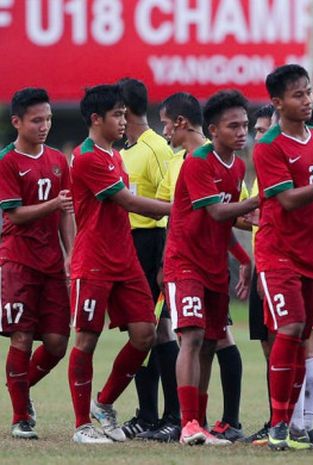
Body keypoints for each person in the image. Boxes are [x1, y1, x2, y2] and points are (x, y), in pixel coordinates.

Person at [68, 84, 171, 443]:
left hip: (124, 259)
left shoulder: (114, 155)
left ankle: (104, 404)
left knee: (145, 335)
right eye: (116, 114)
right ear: (96, 119)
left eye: (124, 113)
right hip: (94, 261)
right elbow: (128, 202)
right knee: (86, 339)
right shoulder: (87, 158)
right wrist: (181, 209)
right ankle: (82, 426)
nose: (123, 120)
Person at [252, 64, 313, 451]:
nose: (307, 101)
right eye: (298, 95)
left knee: (304, 335)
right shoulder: (268, 145)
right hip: (277, 254)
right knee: (288, 329)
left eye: (308, 92)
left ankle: (292, 424)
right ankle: (277, 424)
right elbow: (287, 200)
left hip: (311, 253)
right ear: (278, 102)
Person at [163, 90, 258, 445]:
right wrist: (261, 199)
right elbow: (217, 211)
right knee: (192, 337)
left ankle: (198, 423)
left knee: (208, 344)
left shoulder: (238, 165)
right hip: (185, 263)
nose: (241, 132)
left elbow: (225, 222)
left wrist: (245, 258)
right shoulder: (198, 161)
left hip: (215, 265)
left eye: (245, 125)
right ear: (213, 129)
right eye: (233, 126)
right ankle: (187, 423)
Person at [0, 88, 74, 439]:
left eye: (48, 119)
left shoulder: (59, 161)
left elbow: (66, 214)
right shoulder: (7, 162)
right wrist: (54, 205)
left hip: (51, 265)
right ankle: (20, 418)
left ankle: (21, 391)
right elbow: (14, 213)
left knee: (58, 343)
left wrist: (72, 254)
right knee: (22, 336)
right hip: (16, 262)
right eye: (36, 120)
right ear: (17, 122)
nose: (44, 125)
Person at [117, 78, 179, 440]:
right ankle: (148, 415)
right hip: (129, 245)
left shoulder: (157, 148)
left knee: (159, 330)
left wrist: (163, 262)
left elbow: (172, 207)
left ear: (124, 110)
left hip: (153, 243)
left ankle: (171, 415)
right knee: (140, 331)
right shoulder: (127, 149)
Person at [242, 104, 276, 444]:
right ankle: (274, 418)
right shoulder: (255, 179)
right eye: (257, 129)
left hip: (276, 268)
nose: (258, 136)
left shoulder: (280, 172)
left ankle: (290, 419)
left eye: (264, 129)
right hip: (259, 267)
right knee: (268, 348)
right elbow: (252, 218)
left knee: (286, 346)